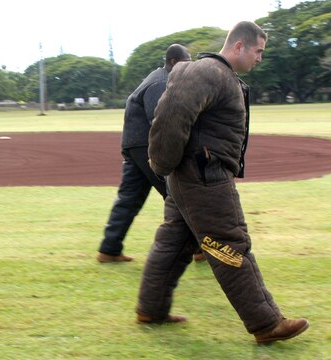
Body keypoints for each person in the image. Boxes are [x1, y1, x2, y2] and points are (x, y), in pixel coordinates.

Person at [136, 21, 309, 344]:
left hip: (190, 176)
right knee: (230, 244)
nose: (260, 58)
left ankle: (151, 309)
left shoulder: (216, 75)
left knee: (174, 242)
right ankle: (266, 323)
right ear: (239, 46)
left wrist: (172, 171)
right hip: (204, 176)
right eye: (258, 51)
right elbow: (171, 116)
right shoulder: (207, 72)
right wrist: (162, 164)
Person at [96, 44, 191, 263]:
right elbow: (159, 119)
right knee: (177, 195)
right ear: (175, 62)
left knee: (129, 198)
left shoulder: (158, 77)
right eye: (187, 62)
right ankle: (195, 248)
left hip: (133, 144)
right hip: (145, 145)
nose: (190, 67)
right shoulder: (162, 82)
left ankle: (109, 248)